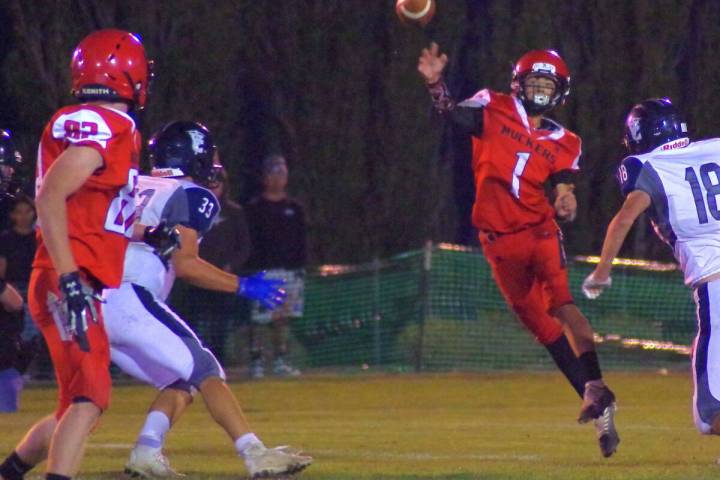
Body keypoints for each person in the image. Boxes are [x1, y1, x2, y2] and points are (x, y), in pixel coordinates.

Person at [417, 43, 619, 457]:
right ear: (519, 84)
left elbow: (564, 186)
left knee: (561, 304)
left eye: (549, 82)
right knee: (544, 331)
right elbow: (452, 115)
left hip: (539, 232)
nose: (542, 88)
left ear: (559, 89)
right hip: (497, 241)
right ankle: (600, 405)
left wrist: (567, 200)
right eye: (536, 81)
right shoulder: (493, 106)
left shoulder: (566, 140)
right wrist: (436, 83)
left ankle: (594, 390)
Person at [102, 121, 312, 478]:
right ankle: (254, 453)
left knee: (179, 380)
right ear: (193, 156)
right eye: (209, 154)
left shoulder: (131, 184)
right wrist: (243, 285)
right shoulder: (191, 194)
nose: (214, 161)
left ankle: (146, 452)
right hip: (130, 297)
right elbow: (185, 265)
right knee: (207, 370)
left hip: (93, 299)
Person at [0, 29, 156, 480]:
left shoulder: (90, 121)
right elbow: (50, 197)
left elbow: (95, 211)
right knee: (93, 396)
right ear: (129, 73)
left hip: (63, 273)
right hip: (69, 276)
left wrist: (148, 231)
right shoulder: (112, 125)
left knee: (73, 405)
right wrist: (70, 280)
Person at [582, 98, 720, 439]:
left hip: (715, 285)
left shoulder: (649, 165)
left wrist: (601, 272)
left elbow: (624, 218)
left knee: (710, 413)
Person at [171, 159, 252, 364]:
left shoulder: (233, 212)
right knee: (191, 320)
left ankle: (218, 360)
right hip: (194, 276)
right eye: (209, 183)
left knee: (220, 324)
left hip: (220, 277)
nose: (213, 188)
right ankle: (188, 359)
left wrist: (231, 266)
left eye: (217, 183)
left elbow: (244, 245)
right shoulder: (189, 206)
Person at [244, 154, 307, 378]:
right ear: (265, 177)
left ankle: (281, 360)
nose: (279, 177)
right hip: (262, 271)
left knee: (283, 318)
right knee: (259, 320)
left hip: (289, 271)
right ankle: (257, 362)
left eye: (283, 173)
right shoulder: (254, 208)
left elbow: (301, 239)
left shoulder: (294, 208)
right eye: (274, 172)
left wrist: (300, 267)